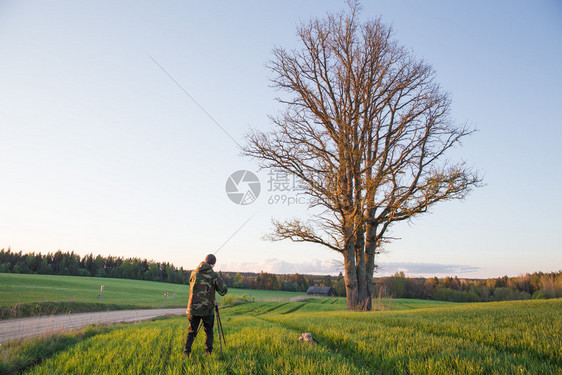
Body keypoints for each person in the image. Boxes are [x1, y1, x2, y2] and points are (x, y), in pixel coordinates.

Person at [183, 254, 228, 356]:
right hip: (207, 309)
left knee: (191, 331)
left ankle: (186, 353)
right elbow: (223, 291)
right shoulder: (214, 276)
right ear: (213, 264)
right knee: (208, 331)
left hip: (192, 308)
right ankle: (208, 353)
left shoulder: (193, 273)